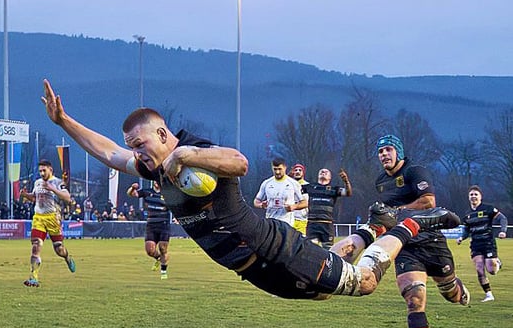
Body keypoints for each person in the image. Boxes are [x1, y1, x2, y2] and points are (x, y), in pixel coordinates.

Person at [41, 78, 461, 305]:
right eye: (135, 148)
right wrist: (65, 122)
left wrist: (186, 154)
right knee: (328, 286)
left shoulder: (196, 152)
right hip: (252, 270)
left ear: (164, 133)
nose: (137, 155)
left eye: (142, 144)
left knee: (364, 284)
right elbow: (110, 154)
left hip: (276, 249)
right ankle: (372, 233)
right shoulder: (154, 170)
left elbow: (238, 162)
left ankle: (410, 224)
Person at [331, 134, 470, 328]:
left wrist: (398, 212)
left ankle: (457, 288)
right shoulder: (380, 182)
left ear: (399, 152)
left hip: (431, 240)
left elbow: (428, 202)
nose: (384, 155)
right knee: (414, 298)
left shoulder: (416, 172)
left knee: (450, 293)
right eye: (380, 151)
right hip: (404, 246)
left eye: (388, 150)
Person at [20, 159, 76, 287]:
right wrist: (25, 195)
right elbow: (34, 198)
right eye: (40, 171)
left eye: (44, 170)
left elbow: (67, 198)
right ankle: (33, 277)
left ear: (50, 170)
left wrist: (52, 189)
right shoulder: (38, 183)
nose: (41, 173)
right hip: (39, 217)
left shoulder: (57, 182)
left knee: (59, 249)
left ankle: (67, 257)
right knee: (36, 245)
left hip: (53, 218)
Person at [456, 185, 507, 302]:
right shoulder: (467, 214)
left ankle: (497, 262)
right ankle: (489, 294)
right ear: (468, 197)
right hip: (475, 244)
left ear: (480, 197)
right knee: (479, 269)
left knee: (492, 270)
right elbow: (467, 230)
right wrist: (461, 238)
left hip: (488, 242)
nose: (473, 197)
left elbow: (502, 218)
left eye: (476, 194)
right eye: (471, 195)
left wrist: (503, 231)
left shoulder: (488, 209)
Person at [127, 180, 172, 279]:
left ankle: (163, 272)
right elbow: (131, 194)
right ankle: (159, 259)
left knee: (163, 249)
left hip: (163, 224)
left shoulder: (168, 193)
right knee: (150, 251)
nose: (157, 182)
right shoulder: (147, 191)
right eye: (155, 180)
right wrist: (133, 188)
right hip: (151, 225)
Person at [303, 168, 352, 249]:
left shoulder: (333, 189)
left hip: (327, 225)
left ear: (330, 177)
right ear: (318, 175)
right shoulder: (310, 187)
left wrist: (346, 181)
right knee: (310, 249)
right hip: (312, 224)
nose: (323, 172)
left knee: (328, 251)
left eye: (326, 172)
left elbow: (348, 193)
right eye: (321, 171)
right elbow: (294, 188)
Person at [254, 158, 306, 227]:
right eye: (275, 169)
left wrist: (294, 206)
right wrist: (261, 205)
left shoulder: (293, 183)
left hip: (287, 223)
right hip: (270, 223)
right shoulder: (266, 183)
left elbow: (305, 203)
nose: (277, 172)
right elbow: (256, 201)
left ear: (285, 168)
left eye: (279, 169)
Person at [289, 164, 309, 234]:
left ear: (303, 173)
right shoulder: (289, 185)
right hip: (290, 218)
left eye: (300, 170)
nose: (297, 172)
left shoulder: (308, 186)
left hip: (302, 219)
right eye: (295, 170)